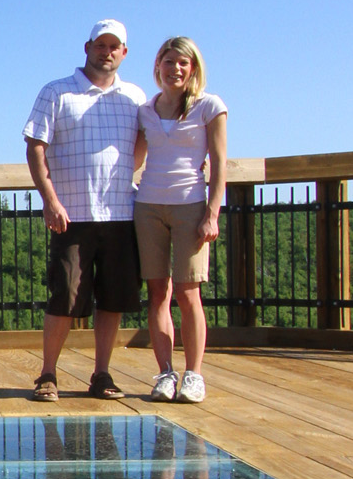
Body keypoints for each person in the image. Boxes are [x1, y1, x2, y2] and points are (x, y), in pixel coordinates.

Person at [23, 19, 147, 403]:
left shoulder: (135, 97)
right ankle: (47, 374)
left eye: (115, 47)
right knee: (65, 297)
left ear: (124, 53)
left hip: (120, 214)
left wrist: (132, 172)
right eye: (100, 44)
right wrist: (50, 200)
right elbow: (35, 147)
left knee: (112, 300)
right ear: (87, 46)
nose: (106, 52)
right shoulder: (57, 92)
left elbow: (143, 143)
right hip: (71, 214)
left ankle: (102, 374)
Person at [134, 37, 229, 404]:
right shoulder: (145, 111)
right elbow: (134, 158)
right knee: (158, 292)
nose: (175, 69)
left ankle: (194, 375)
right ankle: (165, 374)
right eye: (169, 61)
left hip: (191, 205)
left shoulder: (210, 106)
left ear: (193, 69)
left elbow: (219, 163)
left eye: (183, 63)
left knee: (189, 293)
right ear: (158, 65)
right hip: (148, 205)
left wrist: (212, 213)